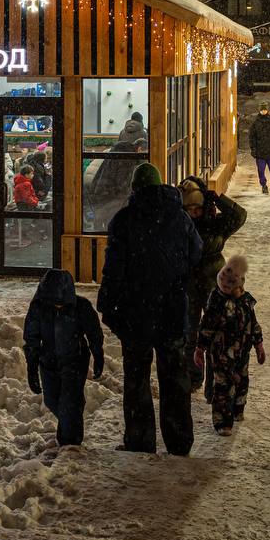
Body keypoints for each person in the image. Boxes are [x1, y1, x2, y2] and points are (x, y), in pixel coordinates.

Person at [97, 162, 202, 455]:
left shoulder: (124, 220)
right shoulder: (180, 218)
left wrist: (107, 305)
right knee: (174, 378)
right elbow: (196, 253)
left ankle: (140, 440)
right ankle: (179, 440)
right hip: (172, 311)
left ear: (135, 188)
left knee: (137, 379)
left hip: (136, 313)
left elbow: (113, 270)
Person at [179, 175, 247, 390]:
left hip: (214, 285)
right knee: (190, 333)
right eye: (189, 209)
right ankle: (193, 377)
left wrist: (218, 199)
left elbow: (240, 215)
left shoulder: (216, 224)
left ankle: (213, 383)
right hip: (189, 285)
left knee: (215, 334)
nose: (194, 213)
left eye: (197, 208)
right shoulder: (180, 226)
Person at [23, 269, 104, 446]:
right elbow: (31, 338)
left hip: (75, 361)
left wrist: (98, 355)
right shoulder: (39, 308)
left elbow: (94, 333)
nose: (58, 307)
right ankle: (72, 422)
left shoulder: (81, 307)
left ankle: (70, 445)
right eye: (54, 304)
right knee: (52, 400)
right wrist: (32, 368)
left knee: (68, 404)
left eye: (61, 304)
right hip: (48, 361)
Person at [194, 253, 265, 435]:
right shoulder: (217, 300)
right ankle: (222, 422)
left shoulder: (246, 301)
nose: (224, 288)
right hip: (221, 353)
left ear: (239, 284)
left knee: (241, 381)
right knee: (223, 386)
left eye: (229, 285)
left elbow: (253, 324)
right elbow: (207, 325)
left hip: (242, 352)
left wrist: (259, 344)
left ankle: (237, 410)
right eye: (222, 283)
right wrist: (200, 348)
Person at [248, 103, 270, 193]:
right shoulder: (255, 124)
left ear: (267, 110)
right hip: (260, 153)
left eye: (265, 109)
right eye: (262, 110)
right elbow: (252, 138)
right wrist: (253, 149)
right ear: (259, 110)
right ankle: (263, 186)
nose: (263, 111)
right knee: (261, 171)